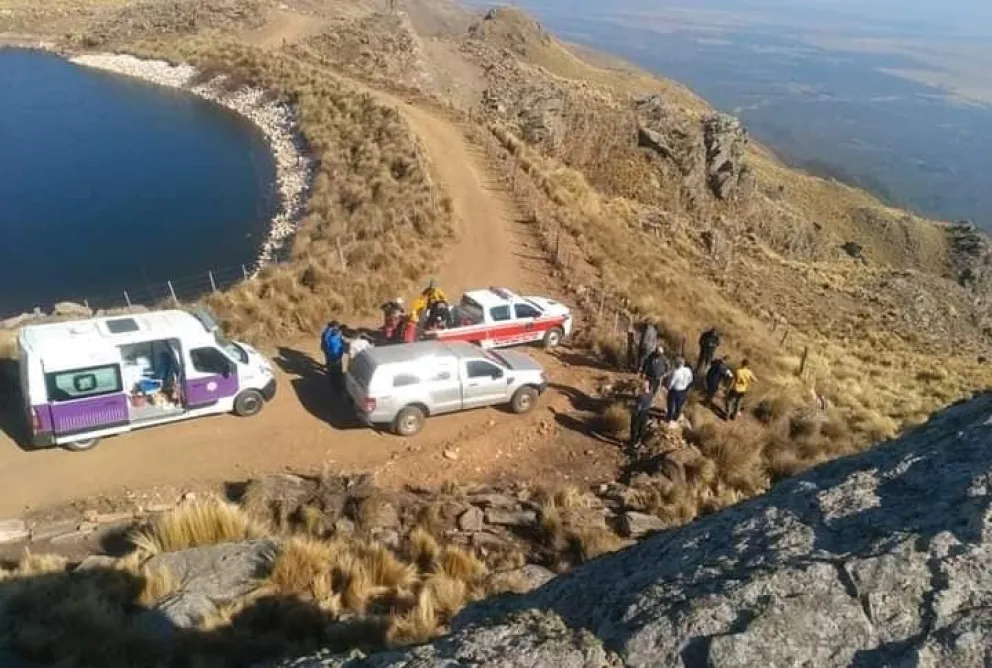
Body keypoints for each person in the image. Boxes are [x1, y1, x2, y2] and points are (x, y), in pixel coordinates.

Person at [664, 357, 693, 423]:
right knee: (679, 405)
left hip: (675, 390)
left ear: (677, 364)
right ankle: (676, 417)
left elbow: (672, 382)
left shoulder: (676, 372)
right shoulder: (688, 370)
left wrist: (668, 388)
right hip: (683, 390)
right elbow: (690, 379)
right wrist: (685, 385)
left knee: (670, 404)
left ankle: (669, 417)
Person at [629, 379, 653, 448]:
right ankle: (639, 441)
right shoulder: (650, 394)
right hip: (646, 412)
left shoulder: (641, 396)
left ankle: (633, 442)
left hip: (639, 413)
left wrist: (634, 413)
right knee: (642, 427)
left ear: (643, 386)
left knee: (634, 427)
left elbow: (638, 407)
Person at [320, 321, 345, 388]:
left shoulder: (331, 337)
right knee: (338, 370)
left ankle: (332, 381)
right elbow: (341, 348)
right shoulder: (336, 340)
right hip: (336, 356)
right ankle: (338, 382)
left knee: (332, 368)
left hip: (331, 354)